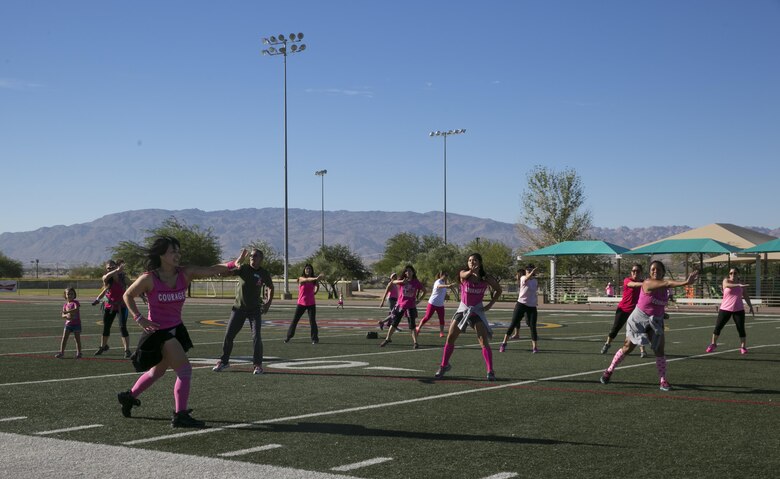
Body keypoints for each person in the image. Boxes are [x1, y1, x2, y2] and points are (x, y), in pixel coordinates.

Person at [117, 236, 243, 428]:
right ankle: (180, 415)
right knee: (184, 370)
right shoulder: (149, 278)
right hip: (159, 332)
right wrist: (138, 317)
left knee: (157, 372)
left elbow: (210, 269)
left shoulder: (186, 273)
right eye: (172, 251)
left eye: (178, 251)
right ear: (161, 255)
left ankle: (129, 397)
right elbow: (127, 295)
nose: (177, 255)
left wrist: (232, 264)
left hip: (177, 329)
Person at [599, 260, 698, 392]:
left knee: (659, 350)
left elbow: (660, 300)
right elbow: (668, 282)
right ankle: (609, 370)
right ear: (649, 273)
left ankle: (663, 380)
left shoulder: (665, 288)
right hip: (638, 319)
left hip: (655, 321)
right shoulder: (647, 283)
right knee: (627, 348)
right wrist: (685, 282)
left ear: (663, 272)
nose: (655, 271)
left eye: (658, 269)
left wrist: (663, 314)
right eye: (653, 270)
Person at [434, 253, 502, 381]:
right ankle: (444, 366)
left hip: (477, 310)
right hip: (463, 309)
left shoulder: (486, 278)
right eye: (470, 260)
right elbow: (463, 274)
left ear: (480, 262)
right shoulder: (464, 274)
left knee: (483, 341)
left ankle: (490, 370)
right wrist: (471, 270)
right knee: (450, 337)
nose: (472, 262)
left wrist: (489, 305)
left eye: (475, 260)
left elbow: (498, 290)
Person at [212, 248, 274, 375]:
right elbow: (231, 272)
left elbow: (270, 287)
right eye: (251, 255)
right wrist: (221, 273)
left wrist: (268, 303)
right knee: (229, 335)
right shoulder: (244, 268)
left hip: (254, 310)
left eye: (255, 256)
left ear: (261, 259)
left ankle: (257, 365)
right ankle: (224, 361)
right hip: (239, 308)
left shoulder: (263, 273)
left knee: (256, 337)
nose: (252, 257)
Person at [600, 264, 647, 358]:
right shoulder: (628, 280)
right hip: (623, 309)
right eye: (634, 271)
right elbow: (632, 285)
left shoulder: (644, 283)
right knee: (615, 329)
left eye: (637, 271)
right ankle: (607, 343)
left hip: (636, 311)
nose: (635, 273)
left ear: (641, 273)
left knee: (641, 330)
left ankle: (643, 350)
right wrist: (646, 284)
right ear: (631, 272)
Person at [705, 267, 754, 355]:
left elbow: (746, 296)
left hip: (738, 309)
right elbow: (728, 285)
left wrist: (750, 306)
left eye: (735, 273)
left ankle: (743, 347)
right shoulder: (726, 281)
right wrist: (738, 285)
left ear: (738, 274)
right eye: (731, 273)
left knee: (741, 329)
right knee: (718, 327)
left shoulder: (741, 284)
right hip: (725, 309)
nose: (732, 275)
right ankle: (713, 344)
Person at [379, 264, 426, 349]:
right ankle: (387, 339)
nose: (408, 272)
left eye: (410, 271)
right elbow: (393, 281)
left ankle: (415, 342)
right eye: (407, 271)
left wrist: (418, 300)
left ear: (413, 272)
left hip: (411, 306)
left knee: (412, 325)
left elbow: (424, 291)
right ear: (405, 273)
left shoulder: (416, 282)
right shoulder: (402, 280)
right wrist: (401, 282)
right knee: (394, 323)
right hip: (400, 305)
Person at [93, 260, 132, 358]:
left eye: (112, 267)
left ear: (116, 266)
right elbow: (105, 283)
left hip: (122, 306)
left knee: (123, 327)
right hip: (109, 306)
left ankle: (127, 350)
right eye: (108, 268)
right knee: (106, 327)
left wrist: (143, 296)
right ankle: (103, 347)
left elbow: (133, 286)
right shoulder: (106, 278)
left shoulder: (124, 278)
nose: (110, 269)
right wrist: (117, 270)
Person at [499, 265, 540, 353]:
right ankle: (503, 344)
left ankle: (535, 347)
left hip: (532, 306)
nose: (529, 271)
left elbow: (534, 292)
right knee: (513, 323)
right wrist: (531, 273)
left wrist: (535, 301)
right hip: (521, 304)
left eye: (531, 270)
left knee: (533, 326)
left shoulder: (535, 281)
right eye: (527, 270)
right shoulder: (523, 278)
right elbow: (526, 279)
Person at [284, 264, 324, 344]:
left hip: (311, 303)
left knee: (312, 321)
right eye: (306, 269)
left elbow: (317, 285)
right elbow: (307, 280)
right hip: (301, 303)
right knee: (295, 320)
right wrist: (316, 278)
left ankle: (314, 339)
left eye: (309, 269)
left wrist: (315, 291)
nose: (308, 270)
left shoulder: (313, 280)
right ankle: (289, 336)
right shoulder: (300, 279)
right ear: (304, 270)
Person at [415, 271, 453, 338]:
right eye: (445, 275)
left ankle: (441, 332)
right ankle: (418, 328)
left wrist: (447, 295)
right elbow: (439, 286)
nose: (447, 277)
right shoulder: (438, 281)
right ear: (441, 275)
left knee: (441, 318)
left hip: (440, 304)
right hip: (433, 303)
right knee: (427, 317)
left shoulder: (444, 282)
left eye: (447, 275)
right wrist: (447, 286)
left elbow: (443, 292)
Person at [56, 287, 82, 359]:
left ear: (74, 295)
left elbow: (76, 309)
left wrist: (67, 312)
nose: (70, 295)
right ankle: (61, 352)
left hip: (76, 324)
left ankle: (79, 353)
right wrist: (66, 316)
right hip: (68, 324)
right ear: (65, 295)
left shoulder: (75, 302)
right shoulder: (65, 305)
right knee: (64, 338)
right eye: (68, 294)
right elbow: (62, 315)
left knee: (77, 339)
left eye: (72, 294)